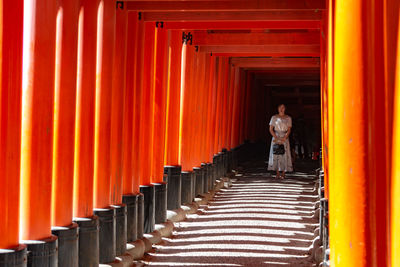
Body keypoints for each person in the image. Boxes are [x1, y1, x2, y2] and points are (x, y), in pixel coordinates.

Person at [267, 104, 293, 179]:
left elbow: (289, 129)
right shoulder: (274, 117)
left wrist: (285, 137)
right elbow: (271, 129)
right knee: (276, 154)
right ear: (278, 109)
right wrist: (276, 137)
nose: (281, 109)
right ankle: (277, 173)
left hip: (284, 136)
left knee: (284, 154)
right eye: (280, 108)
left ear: (285, 109)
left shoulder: (288, 118)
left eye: (283, 108)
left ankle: (284, 173)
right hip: (276, 135)